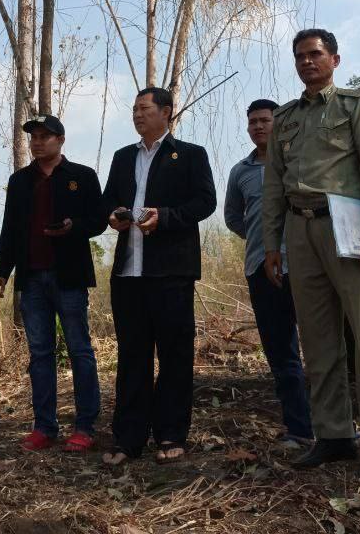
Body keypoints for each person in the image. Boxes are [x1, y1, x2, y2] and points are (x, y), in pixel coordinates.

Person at [261, 28, 360, 486]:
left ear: (334, 60)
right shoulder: (284, 118)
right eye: (300, 56)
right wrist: (272, 244)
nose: (307, 62)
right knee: (318, 338)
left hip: (348, 227)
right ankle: (334, 434)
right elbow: (273, 184)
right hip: (300, 230)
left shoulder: (354, 106)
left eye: (315, 54)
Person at [100, 87, 216, 466]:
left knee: (174, 355)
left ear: (166, 112)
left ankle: (171, 433)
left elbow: (205, 202)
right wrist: (114, 216)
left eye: (144, 108)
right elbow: (108, 201)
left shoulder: (191, 155)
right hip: (128, 273)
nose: (137, 114)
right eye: (134, 109)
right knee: (132, 356)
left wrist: (164, 217)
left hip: (171, 272)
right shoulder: (122, 157)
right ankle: (128, 438)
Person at [0, 114, 106, 452]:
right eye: (34, 137)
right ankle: (44, 427)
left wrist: (74, 227)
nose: (38, 142)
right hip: (32, 278)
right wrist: (2, 270)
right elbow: (10, 229)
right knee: (40, 353)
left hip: (69, 276)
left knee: (79, 350)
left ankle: (85, 426)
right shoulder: (20, 181)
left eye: (45, 136)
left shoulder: (82, 176)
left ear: (61, 140)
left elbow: (99, 221)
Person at [224, 98, 314, 450]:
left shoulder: (300, 161)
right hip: (261, 270)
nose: (258, 127)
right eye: (252, 122)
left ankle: (335, 426)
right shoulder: (240, 172)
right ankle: (299, 428)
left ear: (279, 124)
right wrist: (264, 238)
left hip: (308, 266)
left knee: (322, 348)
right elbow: (234, 217)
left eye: (265, 120)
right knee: (281, 353)